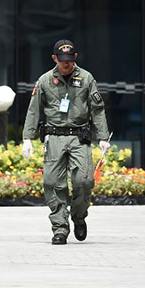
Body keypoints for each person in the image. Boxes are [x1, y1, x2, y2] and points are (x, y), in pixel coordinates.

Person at [22, 39, 110, 245]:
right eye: (62, 61)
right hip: (54, 138)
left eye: (70, 60)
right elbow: (33, 110)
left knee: (84, 181)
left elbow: (97, 109)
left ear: (75, 58)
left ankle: (79, 217)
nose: (66, 64)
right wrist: (27, 138)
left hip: (80, 136)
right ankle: (60, 228)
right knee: (52, 182)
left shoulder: (86, 78)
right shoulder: (44, 81)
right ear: (54, 59)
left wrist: (103, 137)